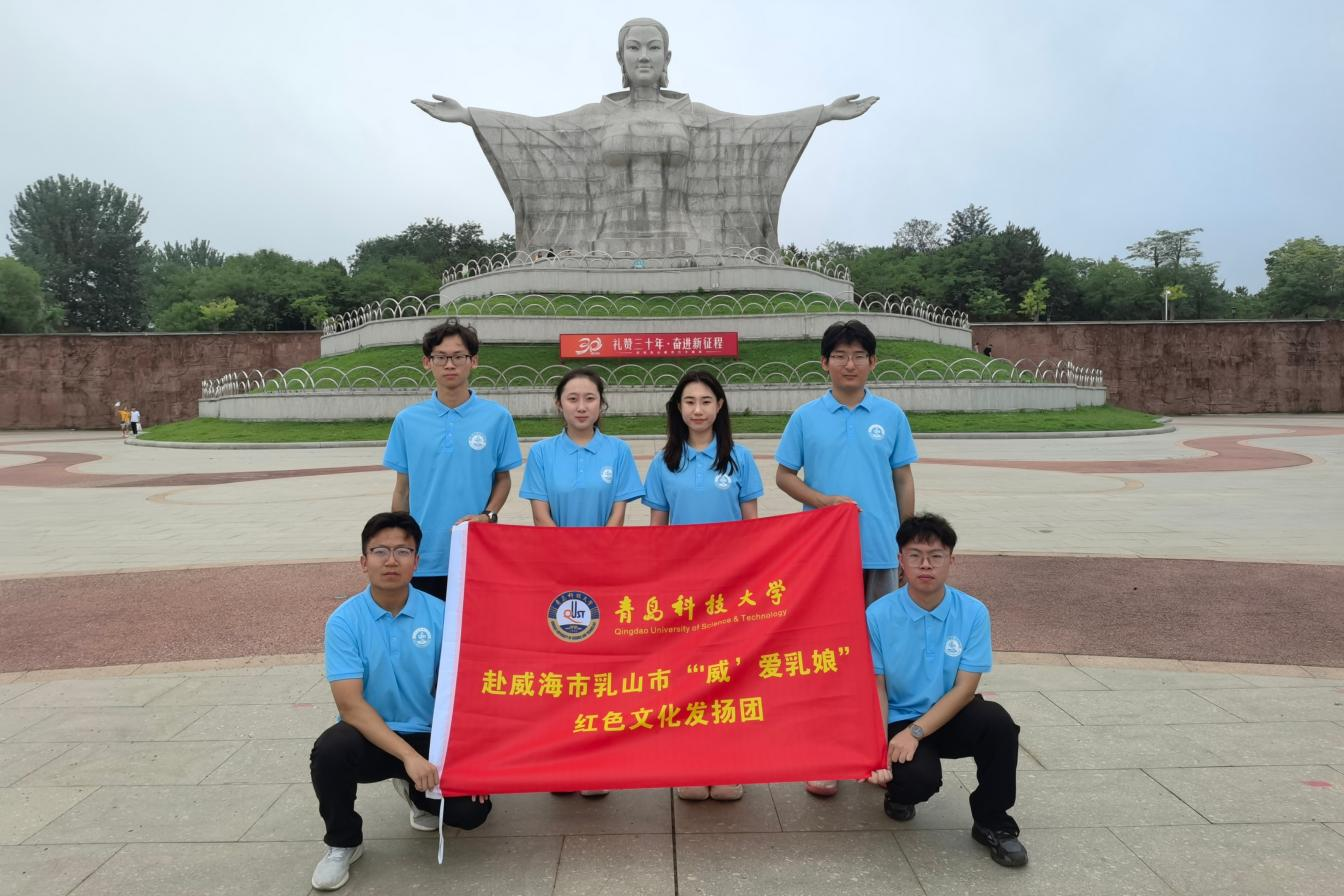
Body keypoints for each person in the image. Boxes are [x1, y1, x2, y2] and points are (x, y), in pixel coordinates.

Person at [413, 18, 876, 258]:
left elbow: (753, 130)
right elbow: (536, 132)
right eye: (633, 48)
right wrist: (470, 116)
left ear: (667, 57)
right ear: (620, 57)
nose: (644, 56)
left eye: (654, 48)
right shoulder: (594, 117)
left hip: (691, 239)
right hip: (604, 241)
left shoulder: (695, 116)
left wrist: (822, 114)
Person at [309, 512, 492, 890]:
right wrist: (408, 757)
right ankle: (343, 843)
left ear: (417, 562)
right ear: (363, 561)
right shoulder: (344, 622)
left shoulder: (442, 614)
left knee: (472, 813)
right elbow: (350, 706)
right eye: (380, 551)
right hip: (371, 736)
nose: (391, 560)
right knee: (330, 751)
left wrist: (471, 759)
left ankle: (417, 794)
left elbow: (463, 692)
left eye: (402, 551)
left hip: (429, 736)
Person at [774, 318, 918, 797]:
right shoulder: (806, 417)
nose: (849, 364)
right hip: (824, 555)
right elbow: (783, 475)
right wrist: (822, 502)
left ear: (873, 362)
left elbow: (902, 479)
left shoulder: (890, 416)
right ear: (824, 363)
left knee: (880, 655)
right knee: (828, 653)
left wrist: (907, 543)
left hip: (879, 551)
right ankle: (827, 754)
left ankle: (876, 749)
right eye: (840, 356)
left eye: (858, 356)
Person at [865, 513, 1026, 868]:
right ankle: (899, 794)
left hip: (950, 712)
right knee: (916, 782)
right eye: (915, 555)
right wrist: (877, 750)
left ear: (951, 560)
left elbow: (966, 689)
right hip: (898, 718)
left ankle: (993, 822)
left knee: (997, 723)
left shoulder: (973, 612)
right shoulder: (877, 615)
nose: (925, 565)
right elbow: (876, 687)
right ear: (900, 560)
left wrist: (916, 732)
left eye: (936, 556)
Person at [521, 367, 643, 798]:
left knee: (601, 667)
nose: (581, 407)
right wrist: (567, 559)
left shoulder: (618, 451)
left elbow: (618, 513)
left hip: (606, 574)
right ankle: (561, 759)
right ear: (559, 404)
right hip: (555, 575)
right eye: (572, 398)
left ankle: (596, 762)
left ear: (601, 405)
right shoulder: (541, 453)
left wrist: (596, 557)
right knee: (562, 668)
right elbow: (540, 513)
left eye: (589, 398)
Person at [643, 370, 762, 802]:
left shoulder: (739, 459)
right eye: (690, 402)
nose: (698, 410)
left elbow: (752, 527)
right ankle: (690, 763)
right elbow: (657, 530)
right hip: (682, 588)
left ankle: (727, 764)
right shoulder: (664, 462)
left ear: (720, 406)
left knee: (728, 677)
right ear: (678, 408)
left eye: (706, 401)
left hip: (730, 587)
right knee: (686, 676)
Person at [384, 320, 522, 599]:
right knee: (424, 625)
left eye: (458, 356)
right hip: (423, 554)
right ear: (427, 362)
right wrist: (398, 541)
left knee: (475, 624)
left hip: (475, 548)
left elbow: (503, 479)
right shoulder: (407, 421)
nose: (450, 365)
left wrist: (488, 515)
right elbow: (403, 489)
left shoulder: (497, 418)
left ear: (473, 361)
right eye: (441, 357)